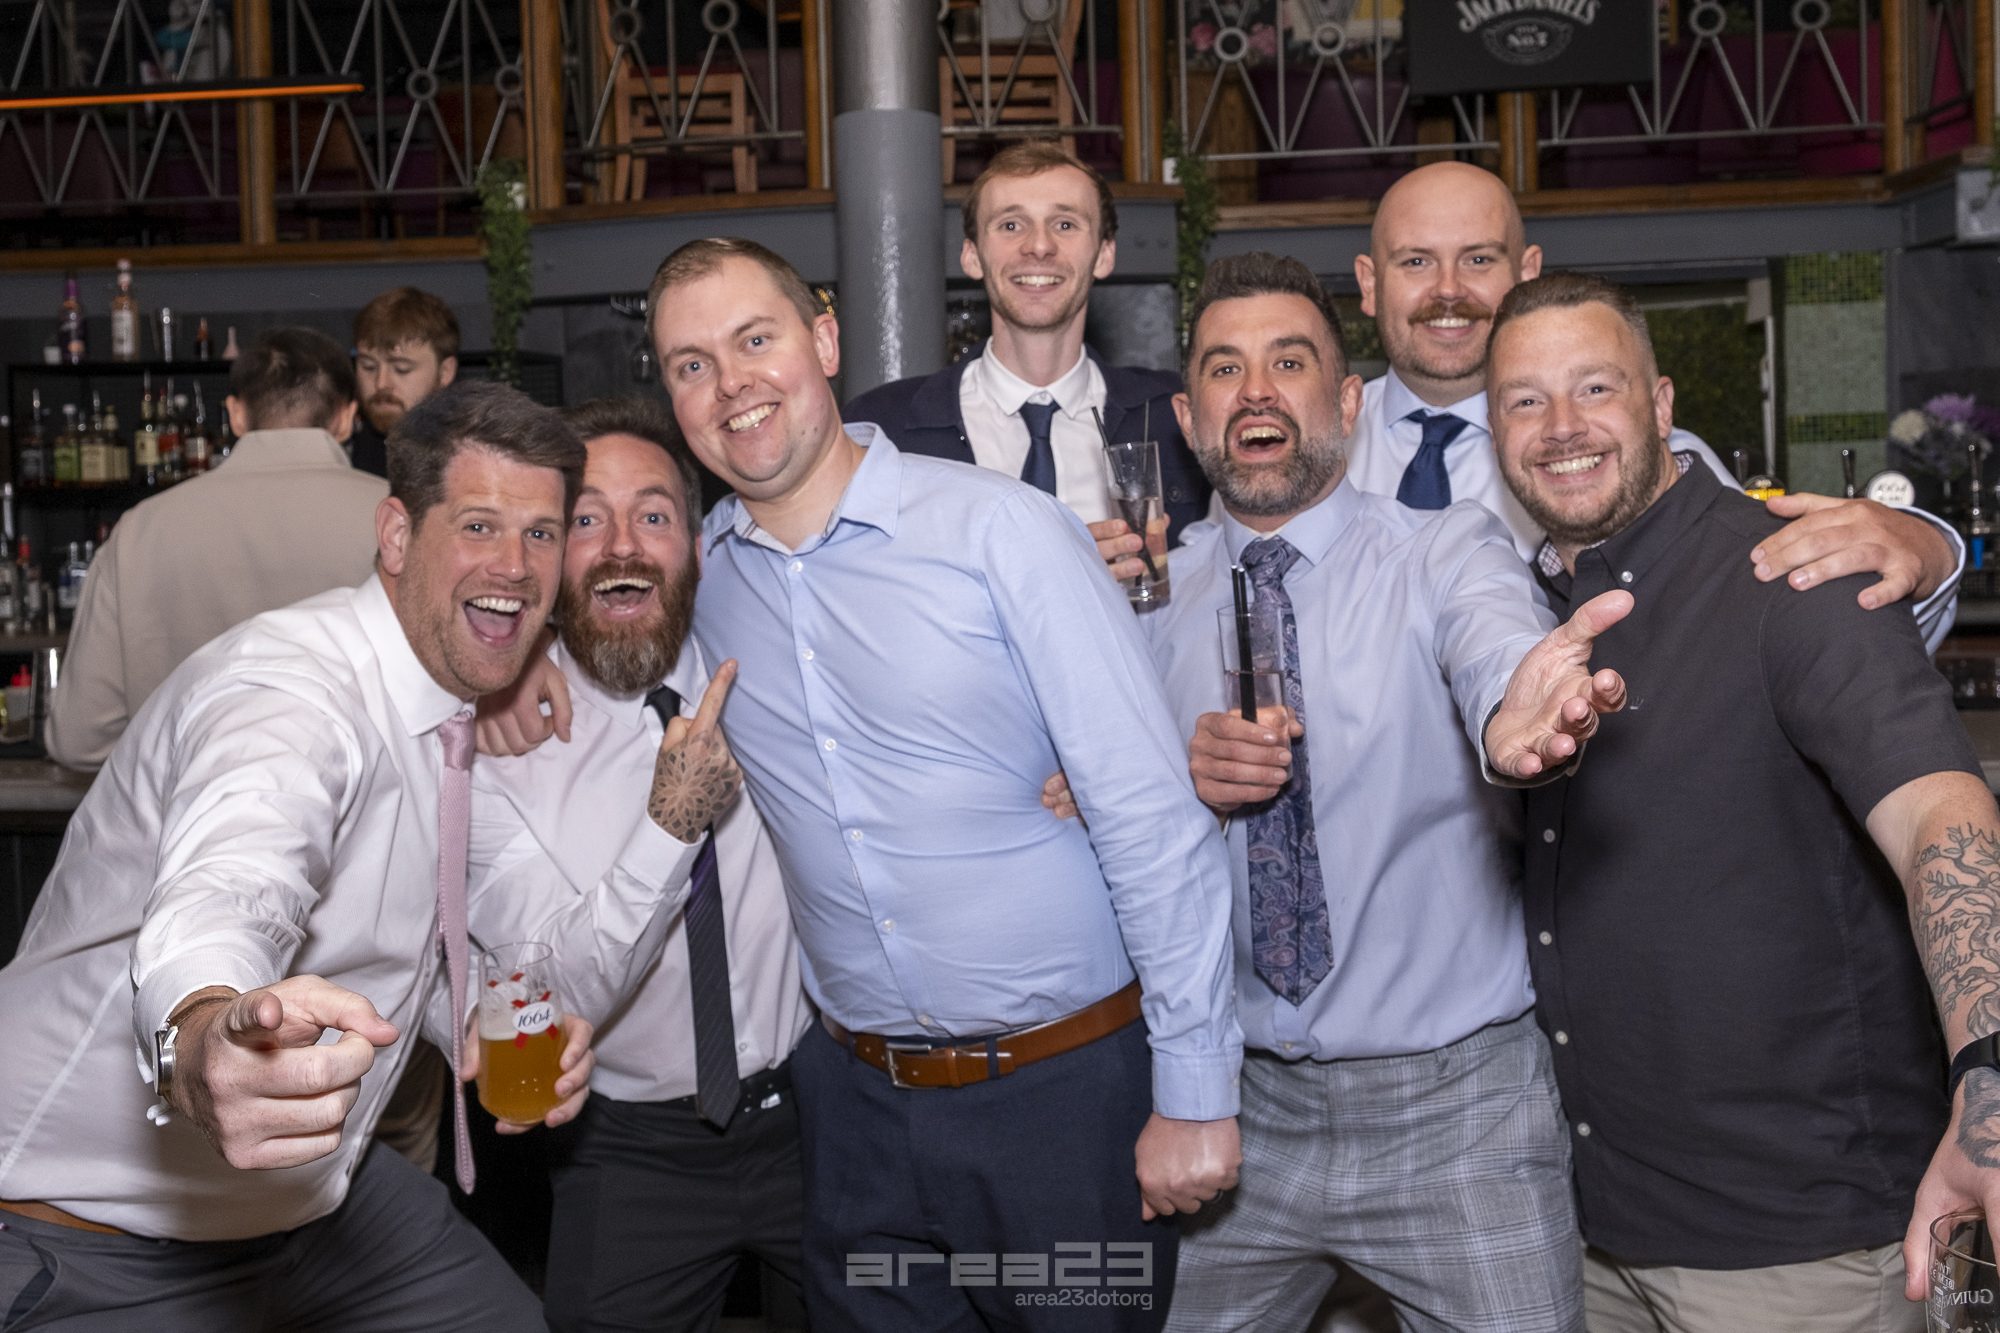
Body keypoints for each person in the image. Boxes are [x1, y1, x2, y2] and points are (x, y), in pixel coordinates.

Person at [656, 236, 1241, 1330]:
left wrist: (1196, 1090)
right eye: (691, 365)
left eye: (754, 339)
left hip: (1061, 1110)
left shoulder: (999, 530)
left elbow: (1148, 816)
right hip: (855, 1123)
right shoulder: (708, 581)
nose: (730, 382)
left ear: (823, 340)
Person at [0, 383, 628, 1330]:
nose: (515, 564)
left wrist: (464, 1019)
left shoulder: (444, 701)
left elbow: (377, 920)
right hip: (94, 1227)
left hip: (312, 1202)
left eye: (541, 533)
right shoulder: (291, 689)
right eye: (479, 525)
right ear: (396, 534)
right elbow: (232, 884)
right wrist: (205, 1034)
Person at [1486, 272, 2000, 1331]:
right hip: (1594, 1236)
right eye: (1524, 400)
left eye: (1595, 387)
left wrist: (1988, 1077)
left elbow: (1938, 817)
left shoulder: (1794, 573)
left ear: (1662, 403)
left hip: (1799, 1255)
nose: (1561, 426)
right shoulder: (1523, 609)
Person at [1127, 253, 1623, 1333]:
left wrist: (1517, 712)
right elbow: (1083, 821)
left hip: (1458, 1113)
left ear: (1347, 403)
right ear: (1188, 416)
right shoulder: (1140, 604)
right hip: (1233, 1107)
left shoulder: (1443, 547)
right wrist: (1177, 787)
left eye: (1289, 362)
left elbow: (1492, 643)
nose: (1256, 392)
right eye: (1223, 368)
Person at [1096, 162, 1962, 646]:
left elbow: (1787, 611)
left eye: (1479, 260)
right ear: (1369, 282)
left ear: (1528, 272)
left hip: (1590, 849)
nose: (1448, 292)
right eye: (1415, 262)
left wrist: (1929, 549)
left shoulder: (1637, 457)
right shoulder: (1292, 455)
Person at [468, 397, 810, 1332]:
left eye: (653, 515)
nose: (623, 546)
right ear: (545, 554)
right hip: (627, 1150)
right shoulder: (493, 758)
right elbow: (553, 991)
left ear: (696, 547)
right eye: (586, 520)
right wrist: (670, 826)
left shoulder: (778, 671)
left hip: (818, 1120)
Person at [46, 327, 385, 771]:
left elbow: (79, 739)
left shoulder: (141, 529)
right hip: (360, 807)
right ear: (346, 418)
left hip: (184, 805)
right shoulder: (399, 518)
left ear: (237, 415)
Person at [845, 139, 1211, 544]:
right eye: (1011, 225)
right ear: (971, 256)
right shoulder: (882, 430)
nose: (1039, 246)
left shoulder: (1175, 415)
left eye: (1065, 225)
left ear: (1105, 254)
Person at [350, 286, 461, 477]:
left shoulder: (468, 459)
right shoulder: (340, 451)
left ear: (445, 372)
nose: (381, 383)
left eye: (401, 369)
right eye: (368, 366)